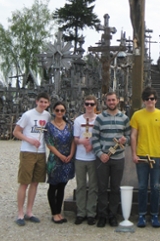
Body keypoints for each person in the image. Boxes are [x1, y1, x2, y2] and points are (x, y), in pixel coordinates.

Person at [130, 86, 160, 228]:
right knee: (141, 186)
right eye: (147, 99)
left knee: (155, 187)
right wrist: (134, 153)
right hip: (142, 155)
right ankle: (141, 214)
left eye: (152, 99)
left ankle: (154, 214)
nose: (149, 101)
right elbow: (133, 135)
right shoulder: (137, 115)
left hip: (157, 155)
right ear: (143, 101)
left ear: (156, 100)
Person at [92, 92, 130, 227]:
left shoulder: (124, 118)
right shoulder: (100, 118)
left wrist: (125, 140)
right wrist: (99, 153)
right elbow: (94, 137)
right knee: (102, 187)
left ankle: (112, 215)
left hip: (118, 158)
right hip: (103, 158)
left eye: (113, 100)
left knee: (115, 187)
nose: (111, 102)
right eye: (109, 100)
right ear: (105, 102)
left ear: (118, 101)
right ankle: (102, 215)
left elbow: (129, 135)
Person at [13, 92, 51, 226]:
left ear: (48, 104)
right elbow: (16, 132)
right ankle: (20, 213)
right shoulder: (28, 115)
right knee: (24, 182)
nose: (43, 104)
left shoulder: (47, 115)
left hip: (40, 152)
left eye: (46, 102)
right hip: (28, 151)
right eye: (41, 102)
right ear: (37, 102)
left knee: (35, 182)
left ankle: (29, 211)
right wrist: (29, 139)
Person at [44, 101, 75, 223]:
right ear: (53, 111)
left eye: (62, 110)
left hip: (67, 159)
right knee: (53, 186)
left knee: (62, 185)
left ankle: (59, 211)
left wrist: (71, 155)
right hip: (55, 159)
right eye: (57, 110)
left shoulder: (69, 125)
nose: (59, 113)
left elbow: (73, 140)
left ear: (65, 112)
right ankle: (54, 213)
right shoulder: (49, 126)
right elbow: (49, 143)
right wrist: (60, 155)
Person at [73, 95, 98, 225]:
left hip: (94, 157)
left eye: (92, 104)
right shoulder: (78, 120)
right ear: (84, 105)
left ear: (95, 106)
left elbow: (100, 136)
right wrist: (83, 142)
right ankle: (81, 212)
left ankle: (91, 213)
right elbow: (76, 138)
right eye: (87, 104)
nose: (89, 106)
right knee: (81, 185)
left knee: (93, 186)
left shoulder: (98, 120)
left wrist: (91, 145)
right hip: (80, 157)